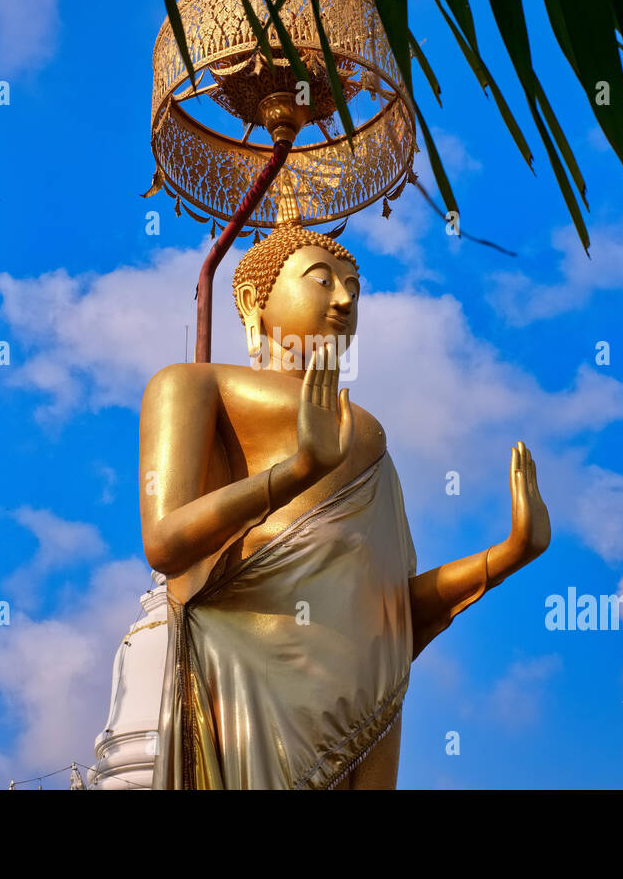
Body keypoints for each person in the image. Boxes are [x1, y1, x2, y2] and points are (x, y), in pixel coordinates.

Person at [139, 223, 550, 788]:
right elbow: (165, 543)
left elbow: (393, 613)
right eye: (322, 279)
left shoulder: (367, 435)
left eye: (355, 288)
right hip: (251, 668)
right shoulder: (193, 384)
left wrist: (506, 555)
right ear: (249, 301)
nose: (344, 298)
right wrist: (296, 472)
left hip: (366, 698)